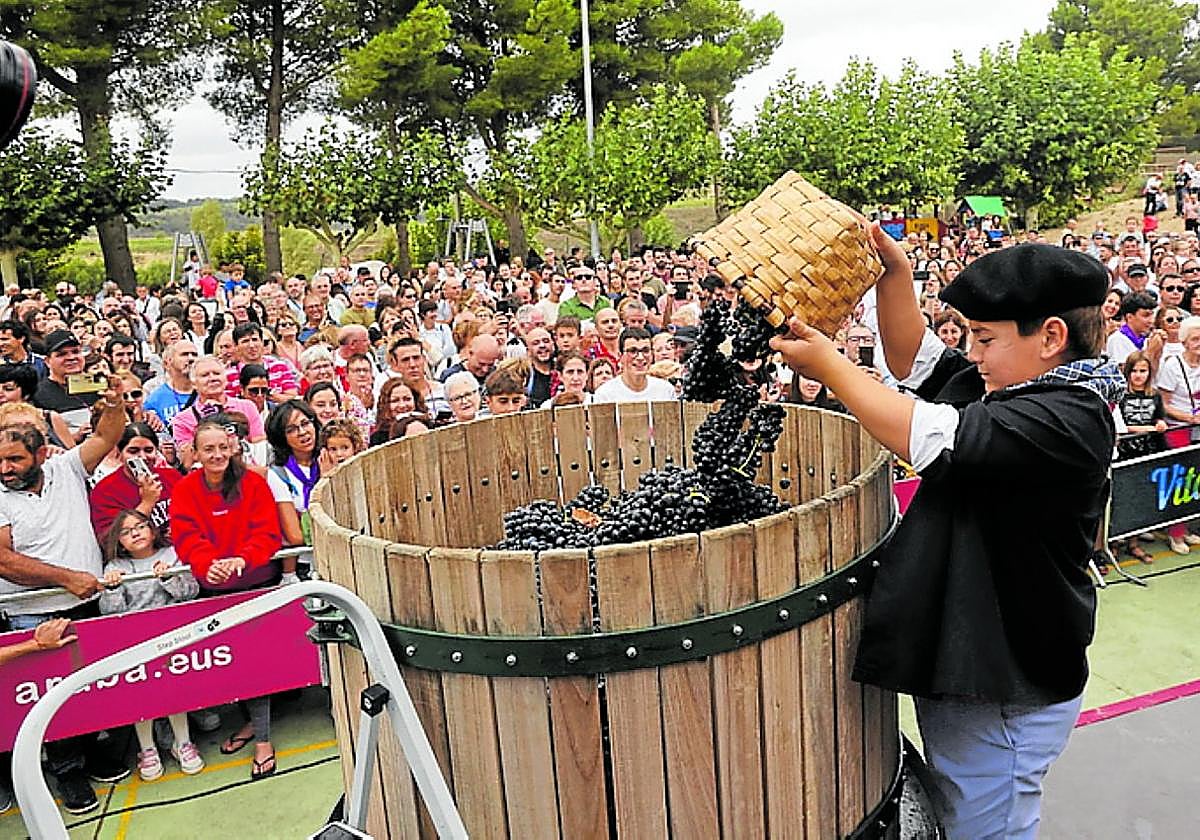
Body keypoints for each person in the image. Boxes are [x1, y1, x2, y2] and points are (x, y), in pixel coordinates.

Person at [769, 233, 1122, 840]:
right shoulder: (1013, 386)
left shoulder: (1069, 417)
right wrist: (893, 272)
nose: (973, 353)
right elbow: (916, 359)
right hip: (979, 671)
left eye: (985, 338)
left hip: (1008, 686)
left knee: (987, 829)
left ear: (1052, 338)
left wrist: (831, 366)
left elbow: (927, 436)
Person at [0, 377, 130, 812]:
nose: (5, 468)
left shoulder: (66, 466)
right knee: (48, 700)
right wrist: (65, 578)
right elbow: (3, 562)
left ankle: (93, 752)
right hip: (31, 617)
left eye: (15, 459)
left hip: (87, 603)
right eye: (0, 459)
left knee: (90, 689)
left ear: (41, 453)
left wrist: (112, 403)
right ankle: (67, 770)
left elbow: (108, 434)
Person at [170, 418, 283, 779]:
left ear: (233, 446)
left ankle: (263, 739)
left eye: (223, 447)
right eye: (209, 448)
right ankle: (253, 724)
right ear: (196, 453)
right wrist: (208, 564)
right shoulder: (186, 489)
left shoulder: (253, 483)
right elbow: (185, 537)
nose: (217, 454)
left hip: (255, 583)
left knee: (258, 665)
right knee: (233, 665)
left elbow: (268, 533)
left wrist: (242, 558)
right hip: (214, 590)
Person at [99, 509, 204, 780]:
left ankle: (183, 742)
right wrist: (112, 589)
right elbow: (109, 613)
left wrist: (169, 578)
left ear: (152, 529)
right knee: (140, 695)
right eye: (126, 531)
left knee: (173, 691)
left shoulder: (171, 556)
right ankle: (147, 749)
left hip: (171, 638)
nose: (135, 533)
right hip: (134, 641)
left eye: (141, 526)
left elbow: (190, 593)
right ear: (118, 541)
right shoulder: (114, 568)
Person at [170, 356, 266, 465]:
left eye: (216, 373)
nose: (212, 378)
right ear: (194, 384)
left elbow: (259, 446)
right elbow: (187, 462)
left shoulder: (248, 407)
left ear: (225, 379)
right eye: (205, 375)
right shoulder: (182, 420)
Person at [592, 328, 677, 403]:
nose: (640, 357)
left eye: (645, 351)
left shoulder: (666, 390)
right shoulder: (605, 394)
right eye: (633, 351)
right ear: (620, 355)